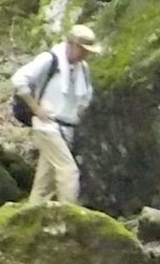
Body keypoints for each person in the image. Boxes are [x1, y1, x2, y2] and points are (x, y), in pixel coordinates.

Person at [11, 23, 98, 206]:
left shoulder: (83, 68)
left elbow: (87, 93)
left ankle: (31, 215)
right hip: (47, 126)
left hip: (67, 128)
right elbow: (19, 79)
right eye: (82, 49)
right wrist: (35, 108)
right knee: (68, 171)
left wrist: (82, 107)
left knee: (45, 185)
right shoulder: (50, 59)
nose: (84, 54)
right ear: (71, 44)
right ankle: (70, 215)